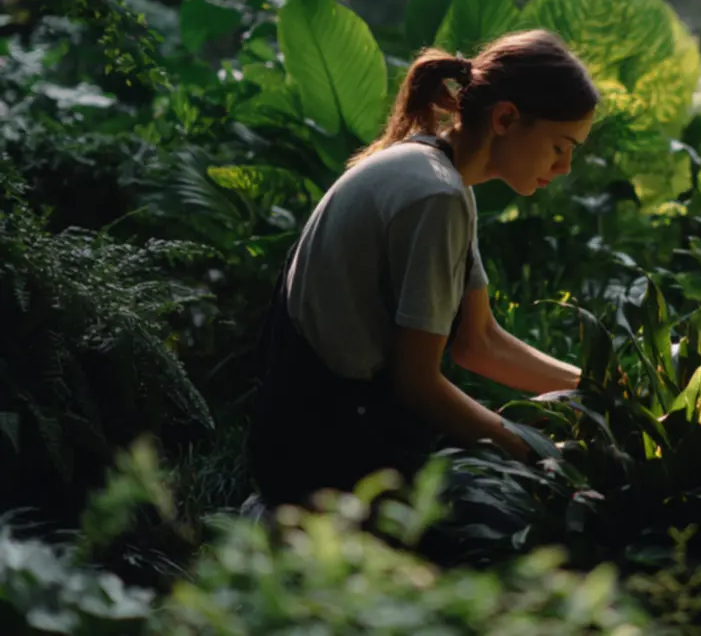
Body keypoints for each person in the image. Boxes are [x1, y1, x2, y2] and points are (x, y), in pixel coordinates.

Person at [247, 29, 599, 509]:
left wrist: (605, 392)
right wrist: (542, 458)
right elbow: (416, 385)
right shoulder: (435, 194)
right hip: (327, 456)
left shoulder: (439, 177)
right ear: (506, 118)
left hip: (317, 434)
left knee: (575, 414)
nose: (564, 168)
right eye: (560, 146)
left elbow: (480, 343)